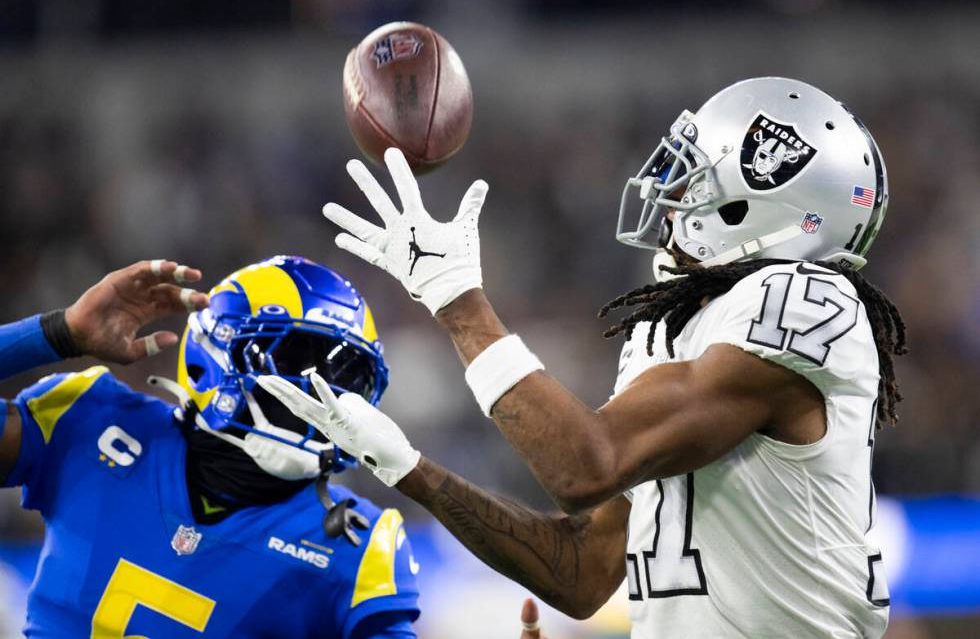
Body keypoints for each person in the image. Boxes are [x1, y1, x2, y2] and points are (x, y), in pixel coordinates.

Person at [261, 77, 906, 638]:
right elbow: (582, 570)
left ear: (761, 205)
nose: (671, 189)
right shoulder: (683, 329)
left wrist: (458, 301)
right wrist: (407, 467)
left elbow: (586, 465)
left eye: (700, 176)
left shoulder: (808, 300)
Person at [0, 256, 420, 638]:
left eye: (344, 377)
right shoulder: (92, 418)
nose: (320, 398)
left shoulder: (361, 546)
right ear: (214, 358)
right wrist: (57, 334)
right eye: (293, 362)